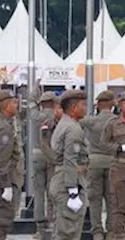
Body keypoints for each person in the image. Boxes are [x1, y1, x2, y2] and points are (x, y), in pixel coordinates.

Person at [0, 89, 24, 240]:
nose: (16, 105)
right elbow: (3, 160)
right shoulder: (4, 127)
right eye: (14, 102)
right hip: (2, 179)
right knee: (1, 222)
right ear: (7, 106)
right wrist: (6, 186)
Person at [51, 89, 90, 240]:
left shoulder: (64, 123)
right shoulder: (73, 128)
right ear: (74, 108)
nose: (85, 108)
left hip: (62, 178)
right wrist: (73, 190)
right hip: (69, 181)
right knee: (69, 230)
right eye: (83, 105)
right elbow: (70, 159)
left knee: (63, 228)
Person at [84, 90, 118, 237]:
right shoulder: (116, 121)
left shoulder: (91, 121)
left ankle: (97, 231)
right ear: (112, 104)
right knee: (112, 199)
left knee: (94, 199)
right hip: (112, 161)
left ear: (98, 105)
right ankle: (111, 232)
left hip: (94, 161)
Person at [103, 92, 125, 240]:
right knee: (118, 206)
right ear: (120, 105)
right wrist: (119, 148)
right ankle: (119, 236)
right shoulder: (112, 123)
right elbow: (103, 143)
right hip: (119, 167)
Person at [31, 90, 60, 235]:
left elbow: (31, 101)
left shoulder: (35, 115)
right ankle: (51, 221)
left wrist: (35, 88)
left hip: (37, 154)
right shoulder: (57, 116)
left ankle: (39, 226)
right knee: (52, 191)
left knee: (38, 192)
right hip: (52, 155)